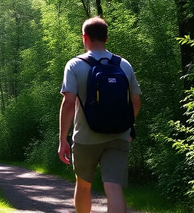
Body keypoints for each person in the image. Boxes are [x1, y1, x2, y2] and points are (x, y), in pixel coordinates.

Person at [58, 17, 142, 213]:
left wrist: (63, 139)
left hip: (86, 137)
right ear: (107, 38)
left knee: (84, 185)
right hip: (119, 136)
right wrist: (128, 126)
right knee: (114, 188)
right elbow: (136, 102)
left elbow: (68, 102)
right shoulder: (124, 65)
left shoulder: (74, 65)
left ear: (84, 37)